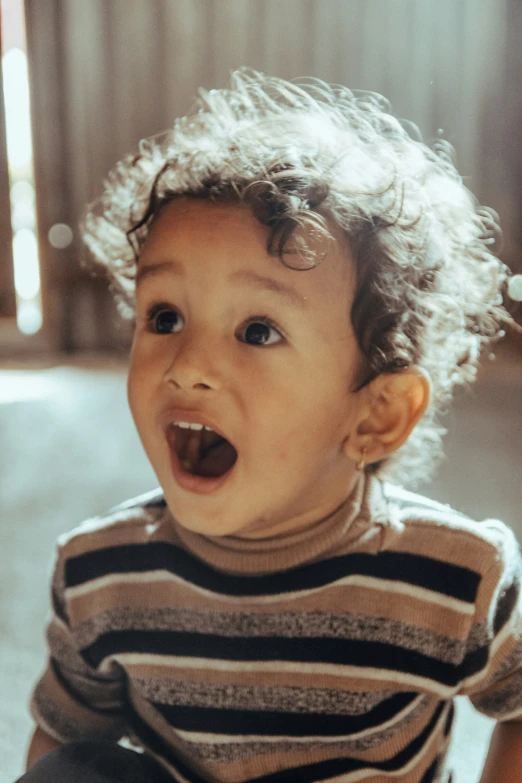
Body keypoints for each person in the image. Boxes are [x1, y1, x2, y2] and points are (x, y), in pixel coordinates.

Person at [19, 68, 522, 783]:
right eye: (165, 317)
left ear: (377, 414)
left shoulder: (456, 578)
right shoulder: (101, 574)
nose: (187, 365)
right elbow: (62, 743)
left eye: (257, 330)